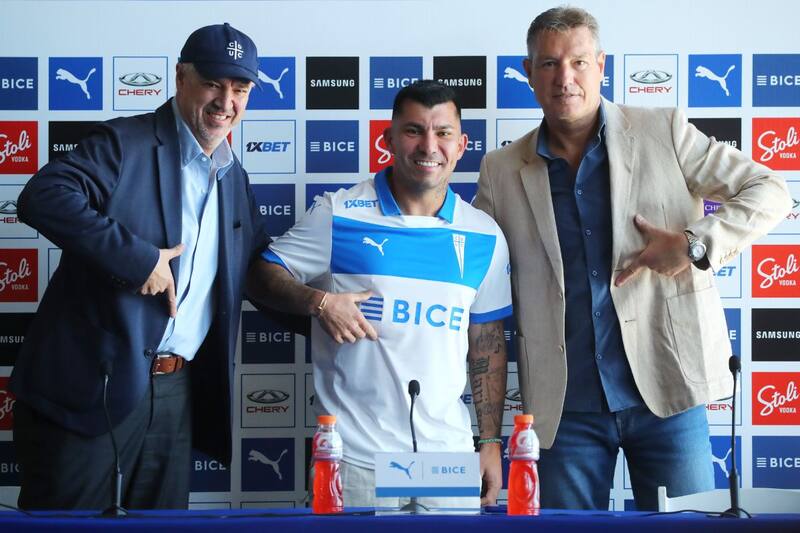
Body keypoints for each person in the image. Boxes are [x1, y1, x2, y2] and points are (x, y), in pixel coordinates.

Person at [474, 6, 791, 511]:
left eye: (578, 62)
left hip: (668, 391)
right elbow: (471, 273)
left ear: (602, 66)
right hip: (563, 407)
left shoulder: (662, 129)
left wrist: (693, 243)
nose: (565, 78)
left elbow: (770, 190)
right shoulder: (500, 170)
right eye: (549, 64)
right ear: (530, 73)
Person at [11, 23, 269, 510]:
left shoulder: (235, 176)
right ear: (180, 77)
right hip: (91, 391)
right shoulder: (123, 142)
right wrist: (139, 259)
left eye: (240, 89)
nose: (225, 101)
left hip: (174, 394)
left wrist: (323, 305)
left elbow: (257, 264)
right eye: (213, 82)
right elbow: (41, 197)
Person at [247, 80, 512, 508]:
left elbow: (487, 345)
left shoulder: (484, 234)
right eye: (413, 131)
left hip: (447, 459)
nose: (429, 146)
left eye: (442, 133)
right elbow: (260, 275)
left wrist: (489, 443)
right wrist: (320, 303)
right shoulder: (339, 214)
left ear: (461, 145)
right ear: (387, 140)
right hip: (355, 460)